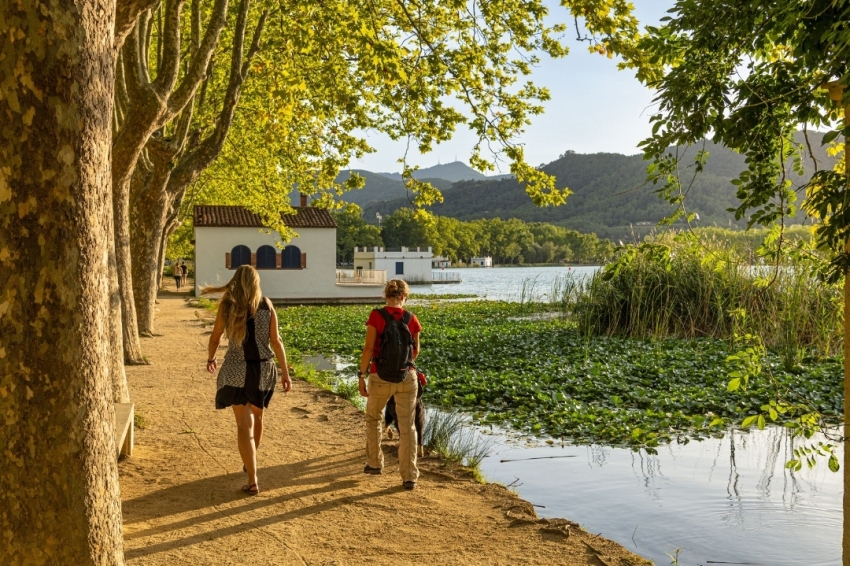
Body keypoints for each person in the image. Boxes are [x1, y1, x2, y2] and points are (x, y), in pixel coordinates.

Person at [204, 265, 292, 496]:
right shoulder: (266, 304)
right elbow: (276, 340)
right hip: (263, 369)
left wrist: (211, 358)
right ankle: (250, 459)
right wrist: (285, 372)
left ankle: (252, 478)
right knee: (258, 416)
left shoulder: (228, 305)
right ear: (256, 282)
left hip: (236, 369)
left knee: (244, 424)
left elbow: (215, 337)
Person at [358, 279, 421, 490]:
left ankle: (375, 464)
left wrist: (361, 375)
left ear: (386, 296)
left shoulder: (376, 316)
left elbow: (368, 349)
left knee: (373, 418)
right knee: (407, 426)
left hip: (380, 376)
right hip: (407, 377)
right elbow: (415, 352)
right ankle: (409, 476)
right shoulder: (411, 319)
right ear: (404, 297)